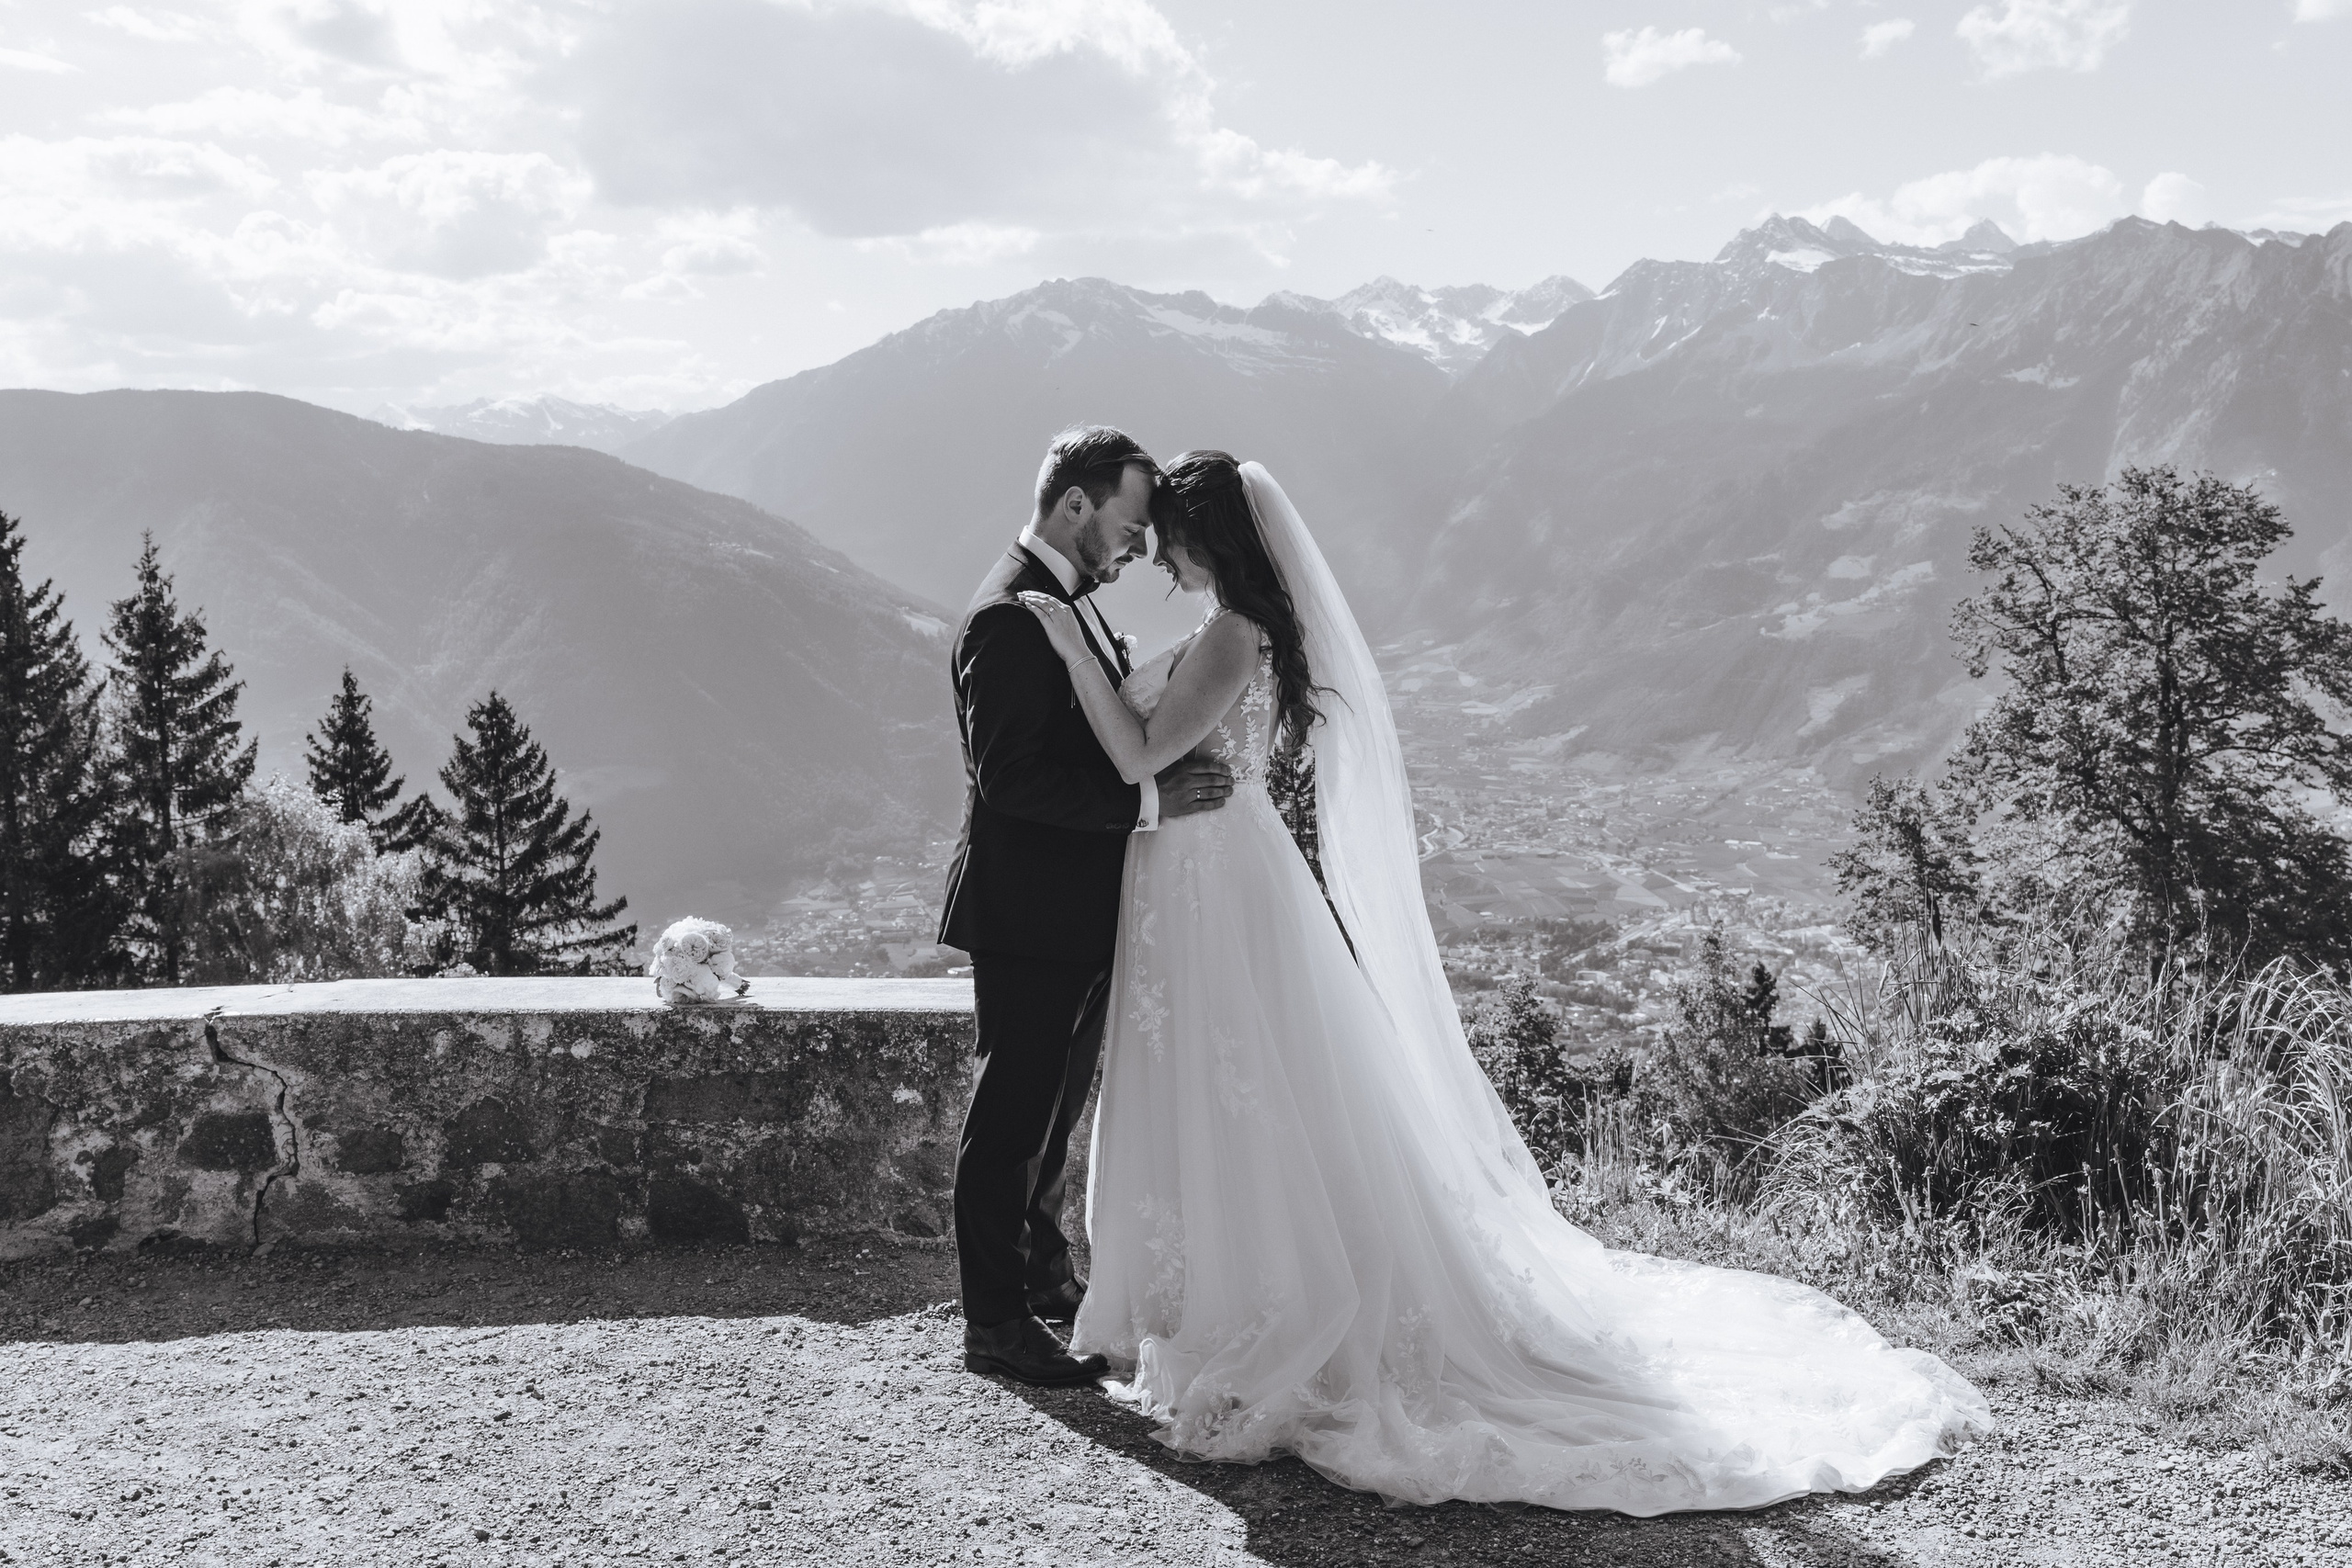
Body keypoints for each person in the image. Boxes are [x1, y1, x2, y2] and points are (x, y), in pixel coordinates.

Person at [1011, 451, 1994, 1512]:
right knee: (1219, 1085)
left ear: (1209, 536)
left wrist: (1068, 650)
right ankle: (1206, 1298)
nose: (1154, 550)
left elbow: (1138, 756)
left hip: (1210, 880)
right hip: (1189, 875)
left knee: (1235, 1082)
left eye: (1166, 532)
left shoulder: (1233, 633)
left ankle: (1257, 1305)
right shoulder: (1227, 629)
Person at [939, 425, 1235, 1387]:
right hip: (1028, 911)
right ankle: (995, 1324)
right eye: (1131, 526)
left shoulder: (1063, 604)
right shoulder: (1009, 616)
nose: (1141, 549)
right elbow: (1011, 780)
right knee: (1011, 1120)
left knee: (1052, 1116)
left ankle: (1042, 1276)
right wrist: (1147, 803)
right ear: (1075, 504)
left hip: (1072, 909)